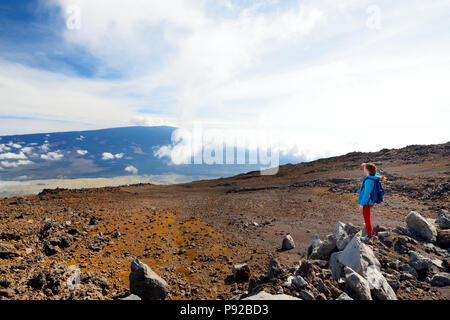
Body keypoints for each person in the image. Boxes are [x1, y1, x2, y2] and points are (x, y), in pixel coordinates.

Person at [358, 162, 385, 242]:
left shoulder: (369, 180)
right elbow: (378, 174)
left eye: (364, 168)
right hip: (370, 202)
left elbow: (366, 194)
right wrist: (367, 165)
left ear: (367, 170)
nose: (363, 169)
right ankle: (369, 234)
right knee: (367, 218)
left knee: (367, 219)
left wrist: (361, 205)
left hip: (367, 203)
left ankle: (369, 237)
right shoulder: (374, 176)